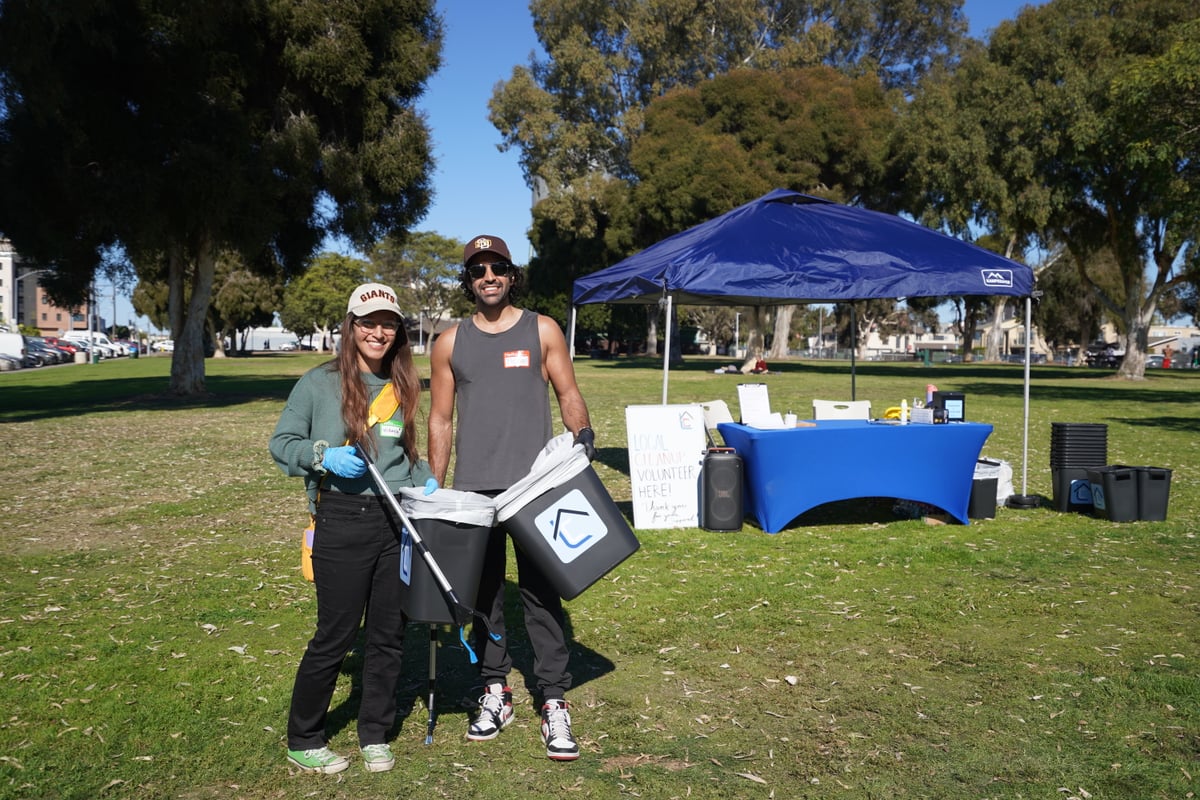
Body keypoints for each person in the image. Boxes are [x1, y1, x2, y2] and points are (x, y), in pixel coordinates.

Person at [428, 234, 595, 761]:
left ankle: (552, 699)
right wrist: (435, 488)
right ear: (468, 281)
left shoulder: (542, 328)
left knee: (542, 594)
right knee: (486, 597)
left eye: (497, 267)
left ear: (511, 273)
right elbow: (439, 418)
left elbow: (568, 393)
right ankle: (495, 689)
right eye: (478, 270)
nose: (488, 277)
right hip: (476, 490)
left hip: (537, 489)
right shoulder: (449, 343)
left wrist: (583, 441)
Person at [269, 282, 436, 775]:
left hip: (395, 520)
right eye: (368, 322)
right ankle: (304, 736)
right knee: (336, 634)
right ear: (351, 327)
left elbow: (404, 456)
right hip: (341, 518)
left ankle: (374, 732)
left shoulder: (404, 386)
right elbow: (282, 443)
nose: (378, 332)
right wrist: (322, 457)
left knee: (388, 633)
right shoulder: (318, 382)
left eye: (387, 323)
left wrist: (424, 481)